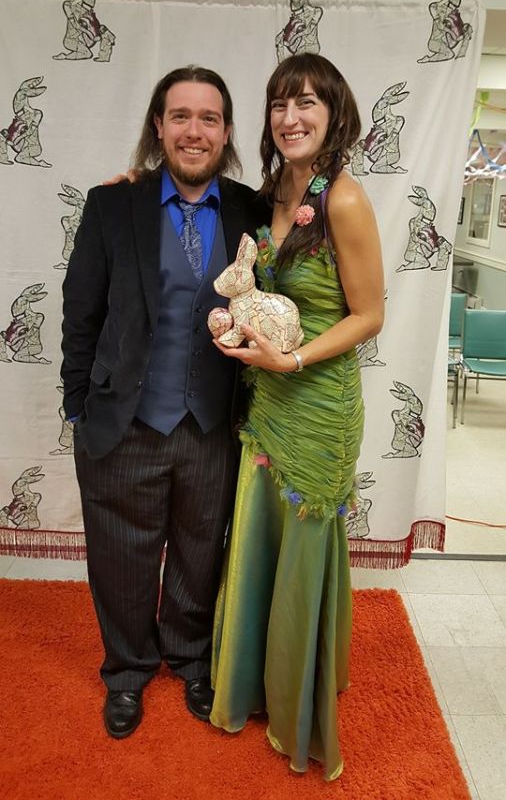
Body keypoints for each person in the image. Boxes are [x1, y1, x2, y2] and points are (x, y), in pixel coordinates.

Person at [61, 66, 269, 739]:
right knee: (121, 556)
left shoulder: (251, 210)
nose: (193, 131)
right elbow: (81, 311)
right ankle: (126, 671)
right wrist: (77, 405)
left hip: (212, 424)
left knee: (200, 553)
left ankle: (189, 657)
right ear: (159, 125)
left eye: (209, 118)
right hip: (125, 422)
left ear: (227, 132)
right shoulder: (111, 204)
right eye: (180, 116)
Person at [209, 53, 384, 780]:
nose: (291, 117)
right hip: (267, 398)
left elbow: (369, 315)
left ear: (334, 113)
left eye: (307, 102)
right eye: (280, 103)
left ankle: (296, 705)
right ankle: (252, 682)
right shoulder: (270, 193)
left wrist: (296, 359)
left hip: (318, 402)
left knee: (304, 545)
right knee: (260, 536)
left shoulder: (343, 198)